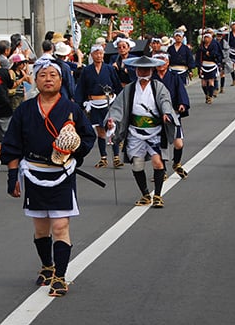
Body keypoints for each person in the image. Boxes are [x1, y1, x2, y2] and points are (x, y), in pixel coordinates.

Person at [0, 56, 96, 297]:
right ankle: (47, 265)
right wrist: (13, 178)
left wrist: (72, 148)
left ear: (61, 79)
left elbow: (87, 138)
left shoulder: (72, 109)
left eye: (53, 75)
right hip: (33, 173)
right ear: (35, 79)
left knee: (61, 226)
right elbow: (12, 144)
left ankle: (60, 277)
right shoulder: (24, 109)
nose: (48, 79)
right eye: (42, 75)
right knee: (41, 228)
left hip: (61, 174)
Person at [105, 56, 180, 208]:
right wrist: (112, 120)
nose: (143, 71)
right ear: (136, 70)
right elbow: (118, 106)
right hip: (135, 131)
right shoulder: (129, 89)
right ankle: (145, 194)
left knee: (158, 162)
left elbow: (165, 101)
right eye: (140, 69)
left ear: (151, 70)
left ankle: (158, 195)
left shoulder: (158, 87)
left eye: (146, 69)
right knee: (137, 165)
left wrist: (166, 113)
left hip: (155, 130)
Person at [75, 45, 123, 168]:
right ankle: (103, 157)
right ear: (92, 55)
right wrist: (79, 103)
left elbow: (117, 84)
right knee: (100, 131)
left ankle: (116, 157)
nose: (99, 56)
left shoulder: (109, 69)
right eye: (96, 54)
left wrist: (119, 100)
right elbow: (81, 87)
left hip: (108, 101)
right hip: (94, 103)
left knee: (112, 128)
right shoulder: (87, 70)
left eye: (101, 53)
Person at [152, 51, 190, 178]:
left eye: (163, 60)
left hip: (173, 113)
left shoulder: (174, 76)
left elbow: (181, 91)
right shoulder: (151, 78)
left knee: (178, 143)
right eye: (157, 60)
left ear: (168, 62)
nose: (160, 63)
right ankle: (162, 170)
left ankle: (177, 163)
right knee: (160, 144)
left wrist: (182, 104)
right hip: (156, 114)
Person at [195, 32, 222, 104]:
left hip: (212, 65)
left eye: (208, 37)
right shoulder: (201, 47)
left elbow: (217, 54)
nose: (206, 39)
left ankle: (210, 96)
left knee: (211, 82)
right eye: (205, 37)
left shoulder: (214, 45)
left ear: (211, 38)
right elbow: (198, 57)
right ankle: (206, 94)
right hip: (203, 65)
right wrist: (199, 66)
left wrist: (209, 54)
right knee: (203, 83)